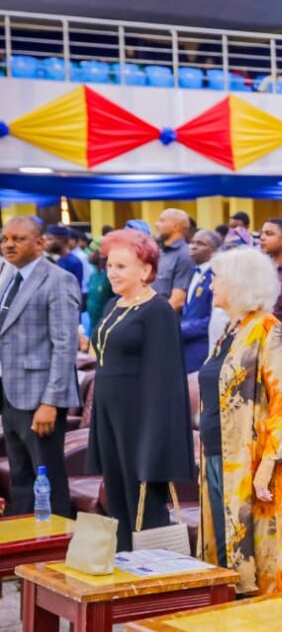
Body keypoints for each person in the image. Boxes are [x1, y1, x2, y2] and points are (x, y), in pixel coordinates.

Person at [198, 247, 282, 596]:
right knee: (225, 549)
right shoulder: (231, 330)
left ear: (240, 283)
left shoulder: (268, 331)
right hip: (217, 454)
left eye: (217, 279)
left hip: (252, 463)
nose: (211, 286)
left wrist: (268, 466)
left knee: (255, 553)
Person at [87, 229, 195, 551]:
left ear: (146, 270)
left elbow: (164, 382)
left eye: (121, 266)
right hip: (110, 416)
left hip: (141, 421)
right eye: (109, 266)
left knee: (143, 505)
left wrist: (155, 441)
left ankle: (153, 582)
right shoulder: (112, 305)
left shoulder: (158, 311)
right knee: (117, 500)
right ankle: (122, 574)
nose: (112, 273)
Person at [0, 217, 81, 518]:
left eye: (18, 239)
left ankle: (56, 548)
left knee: (48, 481)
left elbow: (64, 346)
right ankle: (21, 551)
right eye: (5, 238)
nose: (9, 244)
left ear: (40, 243)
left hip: (40, 399)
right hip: (10, 394)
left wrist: (50, 402)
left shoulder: (58, 280)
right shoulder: (9, 276)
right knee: (20, 480)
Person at [180, 230, 221, 372]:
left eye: (200, 243)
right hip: (186, 344)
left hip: (202, 345)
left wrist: (182, 329)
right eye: (192, 242)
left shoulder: (216, 274)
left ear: (214, 250)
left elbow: (214, 317)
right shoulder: (193, 272)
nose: (193, 246)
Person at [153, 208, 195, 312]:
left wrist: (154, 319)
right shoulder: (160, 252)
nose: (156, 224)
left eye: (162, 221)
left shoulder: (185, 255)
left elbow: (177, 300)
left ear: (176, 227)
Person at [85, 239, 114, 336]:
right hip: (92, 325)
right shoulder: (94, 275)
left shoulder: (110, 276)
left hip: (106, 328)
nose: (89, 254)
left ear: (101, 254)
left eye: (93, 251)